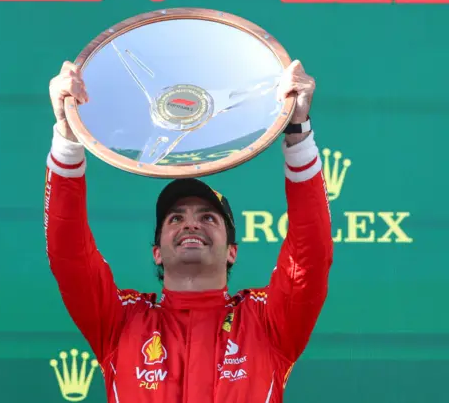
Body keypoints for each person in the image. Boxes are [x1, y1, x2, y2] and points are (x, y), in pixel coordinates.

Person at [44, 59, 333, 403]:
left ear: (232, 251)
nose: (191, 223)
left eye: (209, 218)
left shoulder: (266, 321)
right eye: (175, 218)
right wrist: (68, 138)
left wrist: (298, 132)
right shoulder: (121, 320)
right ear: (156, 251)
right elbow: (70, 256)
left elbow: (310, 256)